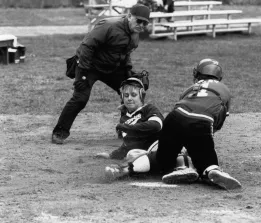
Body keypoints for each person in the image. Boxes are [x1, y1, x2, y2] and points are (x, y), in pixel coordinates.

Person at [104, 58, 242, 190]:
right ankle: (209, 170)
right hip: (202, 121)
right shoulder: (224, 90)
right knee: (202, 156)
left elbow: (180, 109)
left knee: (162, 158)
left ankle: (124, 169)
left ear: (198, 74)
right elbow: (216, 123)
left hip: (174, 118)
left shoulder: (190, 88)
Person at [52, 4, 151, 144]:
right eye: (138, 21)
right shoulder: (109, 25)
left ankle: (125, 128)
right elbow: (86, 46)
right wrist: (83, 73)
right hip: (90, 66)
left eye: (144, 23)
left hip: (112, 68)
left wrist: (129, 73)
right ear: (129, 16)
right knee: (80, 98)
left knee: (132, 93)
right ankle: (60, 131)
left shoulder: (135, 35)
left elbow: (125, 53)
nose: (141, 25)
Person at [96, 77, 165, 160]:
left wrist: (128, 128)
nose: (129, 98)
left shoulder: (149, 109)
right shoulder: (124, 119)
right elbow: (128, 144)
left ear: (141, 96)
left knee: (132, 155)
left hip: (160, 147)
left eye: (133, 95)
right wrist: (112, 156)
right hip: (144, 153)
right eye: (126, 95)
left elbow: (156, 126)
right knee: (131, 154)